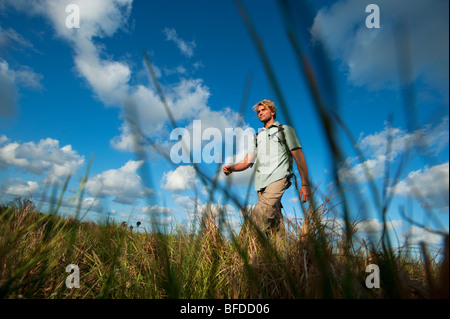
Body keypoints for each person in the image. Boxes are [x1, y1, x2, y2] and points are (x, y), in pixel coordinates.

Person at [223, 99, 310, 241]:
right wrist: (232, 168)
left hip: (278, 178)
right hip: (261, 184)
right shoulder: (257, 137)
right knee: (274, 225)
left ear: (273, 111)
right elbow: (247, 161)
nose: (260, 113)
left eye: (263, 110)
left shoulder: (285, 130)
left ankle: (240, 251)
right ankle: (282, 257)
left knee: (259, 215)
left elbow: (299, 158)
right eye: (258, 112)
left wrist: (305, 184)